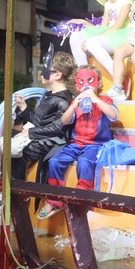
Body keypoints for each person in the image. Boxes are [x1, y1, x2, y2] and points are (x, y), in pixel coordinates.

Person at [42, 67, 118, 218]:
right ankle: (55, 199)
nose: (86, 85)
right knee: (54, 161)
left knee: (84, 162)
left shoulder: (105, 100)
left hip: (96, 145)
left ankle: (82, 198)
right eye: (81, 82)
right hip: (76, 144)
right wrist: (73, 105)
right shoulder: (76, 101)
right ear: (77, 86)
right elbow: (64, 121)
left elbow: (114, 115)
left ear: (99, 83)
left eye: (90, 81)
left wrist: (95, 100)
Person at [10, 52, 76, 181]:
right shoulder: (48, 95)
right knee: (9, 140)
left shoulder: (63, 100)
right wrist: (24, 108)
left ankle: (20, 191)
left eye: (46, 70)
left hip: (54, 141)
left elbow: (57, 128)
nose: (42, 73)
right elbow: (38, 122)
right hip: (42, 135)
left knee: (20, 151)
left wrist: (29, 133)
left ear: (57, 75)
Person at [68, 0, 132, 69]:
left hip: (123, 36)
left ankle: (117, 74)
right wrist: (84, 23)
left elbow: (117, 26)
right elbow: (103, 28)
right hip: (110, 36)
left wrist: (91, 39)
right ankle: (85, 73)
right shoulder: (108, 4)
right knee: (75, 36)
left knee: (92, 43)